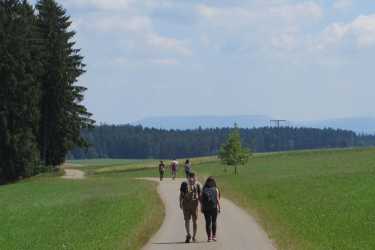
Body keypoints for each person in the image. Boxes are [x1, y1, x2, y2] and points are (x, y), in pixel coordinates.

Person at [179, 172, 201, 243]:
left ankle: (188, 234)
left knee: (187, 220)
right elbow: (200, 196)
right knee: (195, 221)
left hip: (186, 205)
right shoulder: (197, 184)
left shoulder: (184, 184)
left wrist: (180, 203)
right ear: (195, 177)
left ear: (188, 177)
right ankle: (194, 237)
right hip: (194, 205)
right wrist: (201, 205)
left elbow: (181, 194)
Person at [201, 176, 221, 242]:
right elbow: (218, 199)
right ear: (213, 182)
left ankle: (209, 237)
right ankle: (214, 236)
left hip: (206, 208)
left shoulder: (204, 189)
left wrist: (201, 207)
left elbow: (201, 199)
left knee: (208, 222)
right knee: (214, 222)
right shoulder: (216, 189)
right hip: (214, 207)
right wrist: (219, 207)